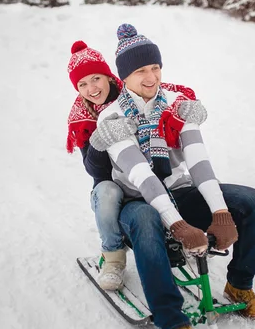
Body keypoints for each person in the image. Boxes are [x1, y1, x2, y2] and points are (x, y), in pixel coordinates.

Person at [90, 24, 255, 329]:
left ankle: (240, 285)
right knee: (146, 221)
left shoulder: (178, 105)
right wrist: (177, 225)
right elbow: (142, 176)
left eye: (155, 68)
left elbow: (199, 163)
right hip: (136, 200)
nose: (151, 77)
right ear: (124, 77)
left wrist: (220, 213)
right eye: (140, 70)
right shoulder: (112, 117)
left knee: (254, 202)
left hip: (178, 190)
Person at [66, 40, 198, 291]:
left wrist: (189, 107)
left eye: (96, 79)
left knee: (175, 179)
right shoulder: (82, 116)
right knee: (107, 191)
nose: (91, 89)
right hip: (116, 184)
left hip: (148, 171)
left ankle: (180, 233)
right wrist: (99, 140)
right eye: (82, 84)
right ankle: (113, 257)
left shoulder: (130, 94)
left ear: (109, 76)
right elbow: (95, 171)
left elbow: (166, 92)